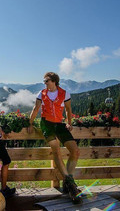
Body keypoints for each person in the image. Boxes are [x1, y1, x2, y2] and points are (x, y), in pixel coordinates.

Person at [28, 72, 82, 203]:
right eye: (44, 81)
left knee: (75, 151)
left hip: (59, 124)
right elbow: (36, 109)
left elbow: (68, 109)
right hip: (46, 124)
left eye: (46, 81)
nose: (44, 83)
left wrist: (69, 122)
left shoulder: (65, 93)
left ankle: (68, 183)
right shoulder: (41, 94)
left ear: (54, 81)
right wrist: (29, 123)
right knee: (56, 149)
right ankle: (72, 186)